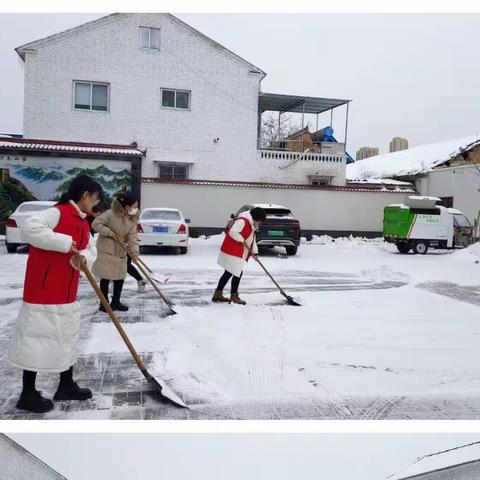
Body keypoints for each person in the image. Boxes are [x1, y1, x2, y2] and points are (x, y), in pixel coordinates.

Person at [8, 174, 102, 413]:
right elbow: (29, 228)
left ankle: (66, 385)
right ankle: (27, 394)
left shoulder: (82, 220)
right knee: (36, 340)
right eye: (95, 198)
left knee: (65, 337)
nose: (95, 203)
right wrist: (63, 242)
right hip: (43, 291)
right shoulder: (58, 212)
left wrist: (83, 259)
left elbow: (90, 248)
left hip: (66, 291)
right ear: (85, 195)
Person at [91, 191, 140, 312]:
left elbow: (132, 237)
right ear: (126, 206)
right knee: (106, 277)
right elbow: (95, 224)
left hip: (121, 251)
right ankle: (104, 304)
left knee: (119, 277)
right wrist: (110, 233)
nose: (135, 209)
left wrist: (134, 253)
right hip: (106, 250)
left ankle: (116, 302)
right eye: (134, 206)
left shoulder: (132, 218)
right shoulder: (110, 214)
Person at [213, 207, 266, 305]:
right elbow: (232, 232)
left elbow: (252, 240)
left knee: (229, 272)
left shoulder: (251, 225)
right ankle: (233, 296)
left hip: (237, 251)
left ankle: (218, 294)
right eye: (260, 221)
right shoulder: (242, 221)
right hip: (232, 250)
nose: (260, 223)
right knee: (237, 273)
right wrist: (242, 238)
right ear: (256, 218)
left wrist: (255, 252)